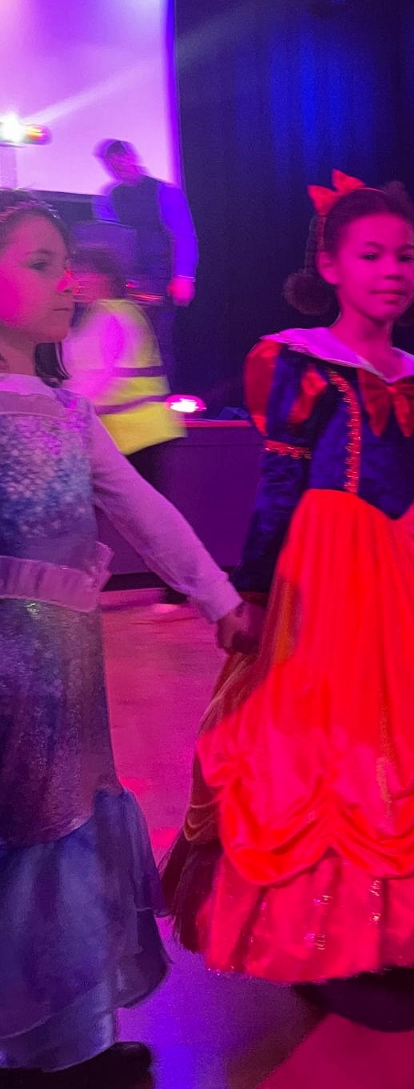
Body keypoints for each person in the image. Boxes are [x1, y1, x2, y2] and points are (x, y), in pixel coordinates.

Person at [161, 172, 414, 992]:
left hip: (411, 566)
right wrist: (254, 593)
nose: (392, 270)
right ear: (329, 265)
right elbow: (280, 483)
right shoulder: (303, 363)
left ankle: (400, 928)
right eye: (371, 255)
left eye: (405, 256)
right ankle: (327, 942)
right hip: (326, 568)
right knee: (329, 740)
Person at [0, 192, 248, 1086]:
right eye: (38, 263)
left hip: (67, 681)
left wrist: (218, 598)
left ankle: (71, 1043)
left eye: (65, 265)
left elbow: (145, 513)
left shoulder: (69, 412)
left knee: (67, 834)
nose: (64, 281)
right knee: (21, 844)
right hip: (5, 682)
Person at [63, 245, 189, 613]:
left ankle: (178, 589)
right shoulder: (98, 316)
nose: (78, 281)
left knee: (146, 520)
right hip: (118, 435)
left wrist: (70, 409)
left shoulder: (116, 314)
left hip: (138, 434)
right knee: (87, 516)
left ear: (104, 278)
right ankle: (75, 590)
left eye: (84, 273)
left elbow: (102, 378)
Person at [93, 140, 199, 387]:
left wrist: (184, 276)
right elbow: (108, 238)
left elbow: (183, 234)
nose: (117, 168)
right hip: (125, 278)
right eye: (111, 165)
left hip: (158, 276)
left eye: (120, 161)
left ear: (132, 158)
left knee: (158, 340)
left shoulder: (164, 191)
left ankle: (162, 394)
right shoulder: (109, 197)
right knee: (124, 339)